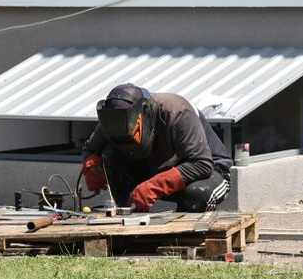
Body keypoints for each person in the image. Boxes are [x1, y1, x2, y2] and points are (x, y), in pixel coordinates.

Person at [81, 84, 233, 212]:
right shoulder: (113, 120)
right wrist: (91, 168)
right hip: (156, 172)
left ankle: (184, 235)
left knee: (195, 196)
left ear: (143, 113)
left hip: (209, 173)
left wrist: (155, 186)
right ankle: (127, 220)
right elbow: (90, 150)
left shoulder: (178, 112)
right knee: (110, 154)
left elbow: (202, 164)